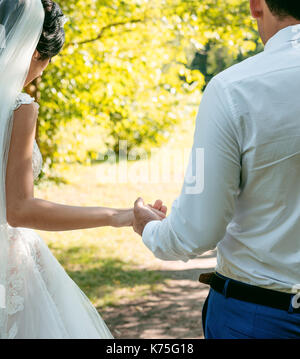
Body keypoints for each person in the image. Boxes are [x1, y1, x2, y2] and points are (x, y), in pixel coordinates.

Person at [133, 0, 300, 339]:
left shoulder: (234, 89)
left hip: (257, 317)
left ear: (256, 6)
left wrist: (149, 228)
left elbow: (197, 231)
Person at [0, 0, 165, 339]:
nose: (43, 70)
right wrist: (118, 216)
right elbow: (19, 210)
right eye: (47, 60)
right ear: (33, 53)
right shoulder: (20, 109)